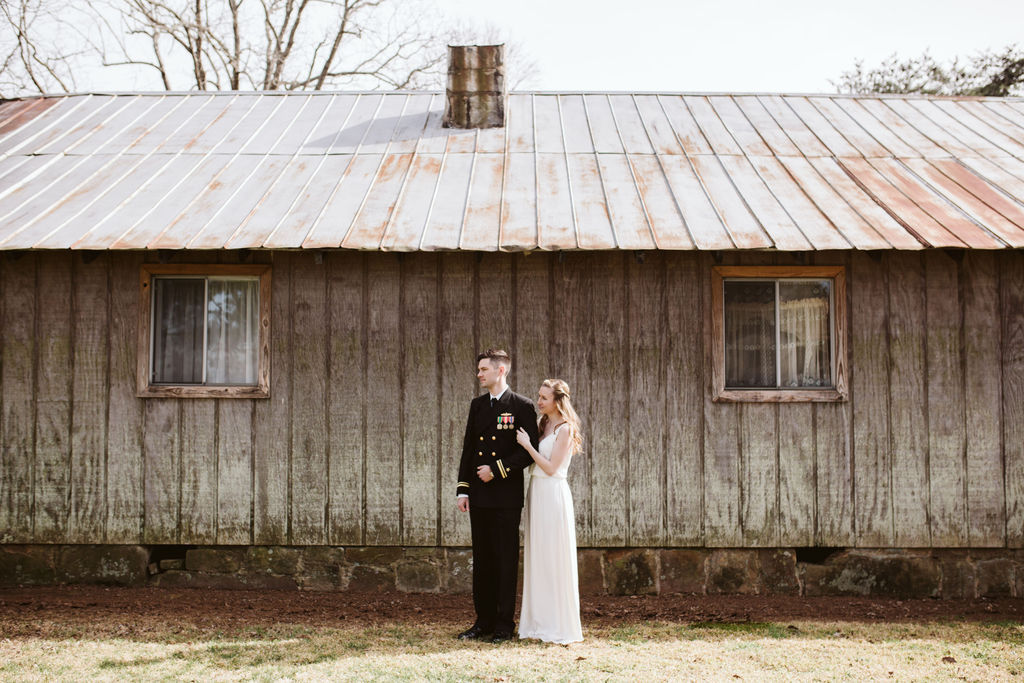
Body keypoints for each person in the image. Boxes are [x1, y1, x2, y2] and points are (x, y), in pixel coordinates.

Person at [455, 349, 539, 643]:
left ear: (500, 370)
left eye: (483, 369)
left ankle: (504, 625)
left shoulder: (522, 406)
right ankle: (483, 622)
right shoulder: (477, 405)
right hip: (478, 495)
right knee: (483, 560)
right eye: (478, 370)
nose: (479, 374)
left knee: (504, 561)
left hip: (504, 495)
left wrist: (497, 469)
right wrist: (463, 489)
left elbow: (528, 453)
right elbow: (468, 448)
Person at [515, 378, 584, 644]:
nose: (539, 401)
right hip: (537, 492)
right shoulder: (544, 424)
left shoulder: (565, 429)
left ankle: (557, 624)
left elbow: (552, 467)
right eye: (539, 396)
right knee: (538, 555)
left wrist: (527, 445)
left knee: (554, 556)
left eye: (544, 398)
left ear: (557, 401)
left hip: (553, 493)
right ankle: (536, 622)